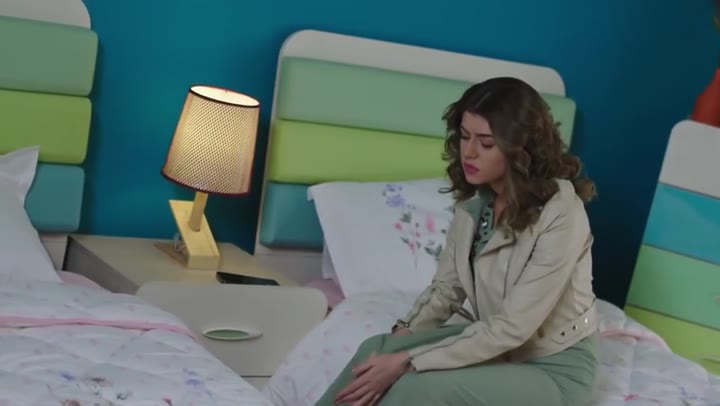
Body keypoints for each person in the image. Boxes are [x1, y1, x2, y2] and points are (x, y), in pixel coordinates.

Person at [316, 77, 599, 406]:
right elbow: (446, 291)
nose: (469, 152)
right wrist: (397, 344)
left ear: (520, 149)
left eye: (486, 143)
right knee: (375, 350)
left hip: (551, 366)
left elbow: (514, 327)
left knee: (414, 387)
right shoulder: (475, 205)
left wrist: (407, 361)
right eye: (464, 137)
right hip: (498, 350)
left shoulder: (562, 213)